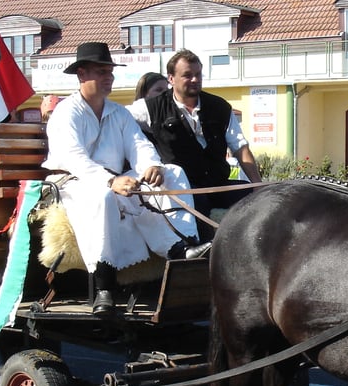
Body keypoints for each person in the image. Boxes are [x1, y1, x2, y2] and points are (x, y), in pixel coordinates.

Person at [41, 42, 209, 316]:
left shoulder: (118, 113)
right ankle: (104, 286)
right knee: (103, 195)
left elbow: (139, 145)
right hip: (71, 184)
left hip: (115, 181)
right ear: (82, 75)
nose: (109, 77)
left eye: (110, 71)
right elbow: (73, 159)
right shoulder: (65, 113)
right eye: (101, 71)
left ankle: (182, 249)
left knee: (173, 172)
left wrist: (151, 166)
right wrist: (110, 182)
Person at [128, 49, 262, 241]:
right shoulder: (149, 108)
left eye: (198, 74)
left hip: (218, 185)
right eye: (187, 75)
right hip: (182, 190)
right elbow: (119, 124)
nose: (194, 80)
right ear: (171, 79)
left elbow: (241, 148)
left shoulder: (220, 107)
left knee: (261, 199)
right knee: (197, 204)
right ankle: (197, 260)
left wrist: (258, 185)